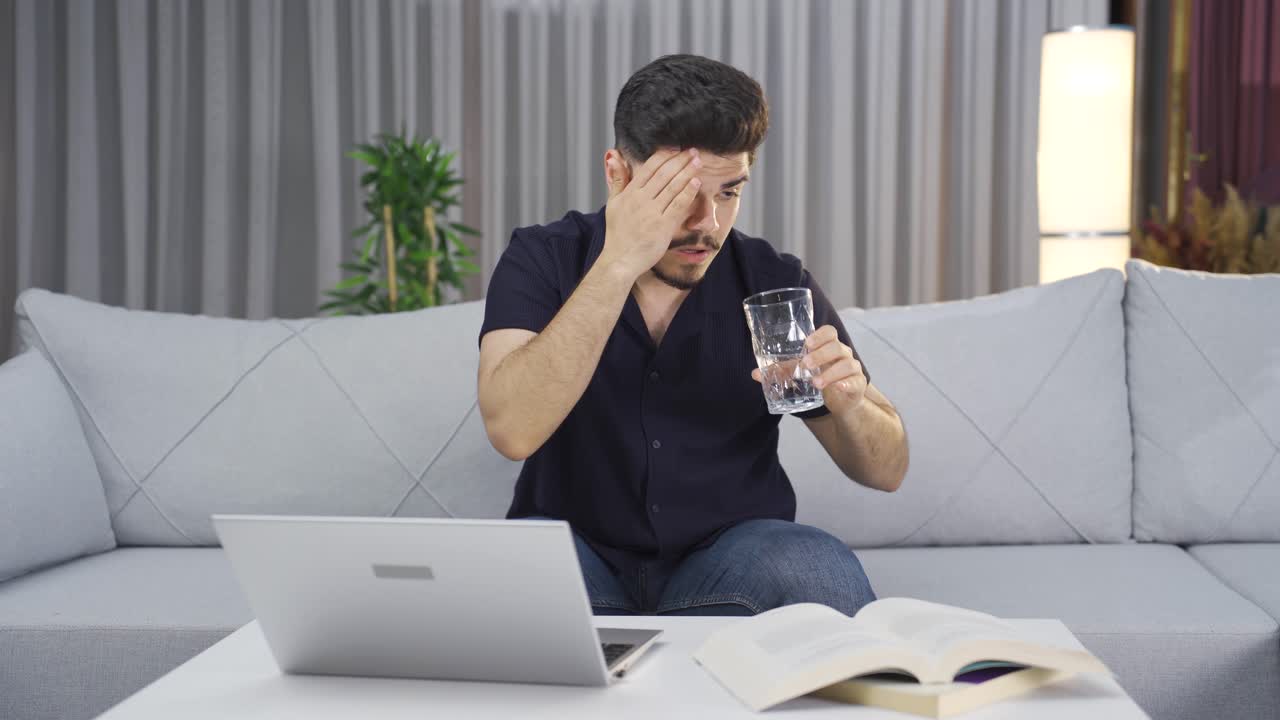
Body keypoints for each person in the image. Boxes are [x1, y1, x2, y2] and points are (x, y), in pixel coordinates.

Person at [477, 54, 909, 616]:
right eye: (678, 194)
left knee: (813, 563)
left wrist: (849, 405)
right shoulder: (544, 257)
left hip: (730, 557)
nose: (707, 222)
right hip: (576, 555)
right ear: (618, 174)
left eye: (729, 192)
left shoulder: (772, 280)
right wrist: (618, 263)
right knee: (510, 569)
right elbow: (512, 431)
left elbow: (887, 469)